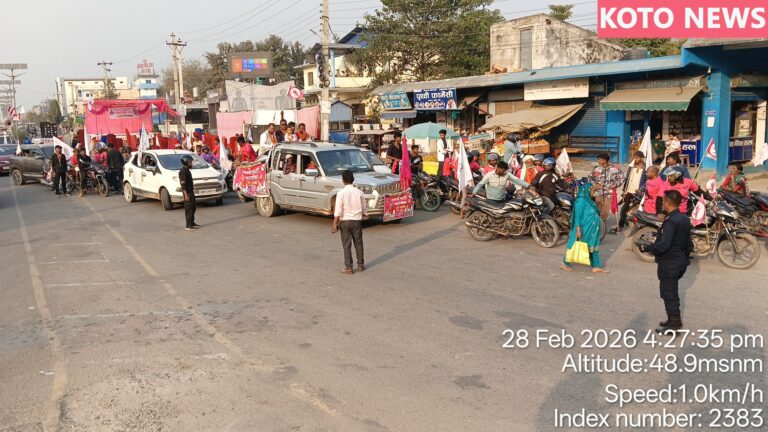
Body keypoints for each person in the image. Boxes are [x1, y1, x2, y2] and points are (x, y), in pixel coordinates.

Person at [637, 190, 693, 333]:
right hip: (678, 262)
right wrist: (685, 259)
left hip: (670, 263)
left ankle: (674, 325)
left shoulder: (671, 222)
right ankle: (672, 319)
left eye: (663, 201)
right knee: (670, 292)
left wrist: (647, 247)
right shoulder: (684, 218)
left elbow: (664, 245)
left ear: (667, 202)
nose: (661, 203)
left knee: (669, 293)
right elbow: (689, 244)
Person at [561, 182, 609, 273]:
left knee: (593, 246)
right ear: (586, 190)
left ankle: (596, 266)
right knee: (575, 246)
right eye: (592, 191)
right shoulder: (581, 201)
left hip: (591, 229)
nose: (593, 193)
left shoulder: (589, 200)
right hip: (584, 229)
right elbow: (578, 217)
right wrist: (578, 230)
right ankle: (565, 263)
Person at [332, 170, 366, 274]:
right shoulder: (360, 192)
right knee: (359, 243)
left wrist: (334, 223)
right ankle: (360, 265)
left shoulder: (341, 193)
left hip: (345, 221)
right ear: (353, 179)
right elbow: (364, 208)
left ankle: (348, 267)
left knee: (346, 245)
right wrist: (364, 214)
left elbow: (338, 210)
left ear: (343, 180)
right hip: (357, 221)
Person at [614, 151, 647, 232]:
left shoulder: (645, 168)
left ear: (642, 158)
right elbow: (627, 179)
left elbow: (647, 181)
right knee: (625, 207)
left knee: (638, 208)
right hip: (630, 190)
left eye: (638, 157)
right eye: (635, 157)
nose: (636, 159)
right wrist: (624, 190)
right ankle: (620, 225)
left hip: (639, 192)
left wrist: (641, 189)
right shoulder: (631, 166)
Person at [588, 153, 625, 220]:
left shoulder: (615, 169)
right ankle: (597, 223)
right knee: (597, 209)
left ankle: (602, 224)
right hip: (598, 193)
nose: (598, 161)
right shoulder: (597, 169)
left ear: (605, 160)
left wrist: (615, 185)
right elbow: (590, 178)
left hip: (609, 193)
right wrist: (595, 185)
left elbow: (622, 178)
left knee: (605, 210)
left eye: (599, 160)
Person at [179, 155, 199, 231]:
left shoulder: (187, 170)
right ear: (186, 162)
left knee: (193, 207)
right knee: (189, 209)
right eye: (190, 162)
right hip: (187, 193)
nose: (191, 164)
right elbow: (183, 184)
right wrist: (186, 195)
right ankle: (188, 226)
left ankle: (192, 222)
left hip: (191, 192)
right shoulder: (182, 171)